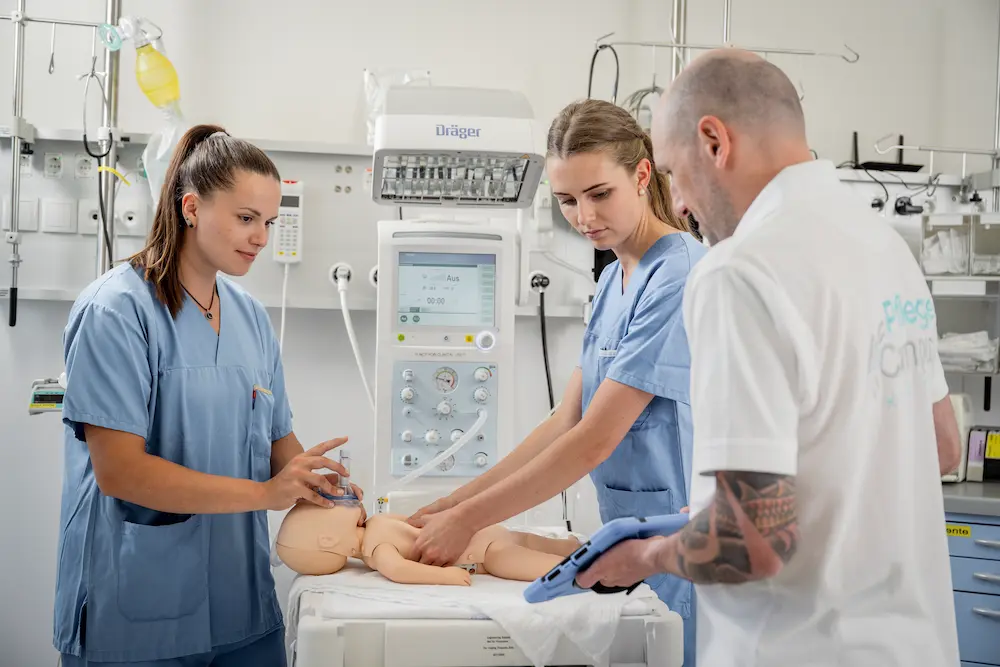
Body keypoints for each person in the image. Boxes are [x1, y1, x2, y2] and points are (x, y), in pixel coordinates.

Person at [577, 50, 962, 667]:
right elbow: (941, 446)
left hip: (799, 647)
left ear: (713, 142)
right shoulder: (887, 250)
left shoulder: (739, 272)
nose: (678, 205)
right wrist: (716, 511)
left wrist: (643, 556)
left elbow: (747, 543)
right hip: (913, 647)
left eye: (673, 174)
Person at [406, 98, 706, 666]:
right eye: (567, 200)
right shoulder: (615, 275)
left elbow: (595, 437)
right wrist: (455, 500)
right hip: (631, 538)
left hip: (682, 542)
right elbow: (564, 419)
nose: (584, 217)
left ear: (642, 175)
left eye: (599, 194)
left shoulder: (679, 274)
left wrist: (470, 520)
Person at [53, 124, 364, 666]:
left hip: (240, 605)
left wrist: (327, 492)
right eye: (246, 219)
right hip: (138, 610)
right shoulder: (116, 312)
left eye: (269, 221)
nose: (262, 237)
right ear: (192, 207)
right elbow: (120, 472)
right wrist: (266, 494)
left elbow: (276, 441)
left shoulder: (249, 317)